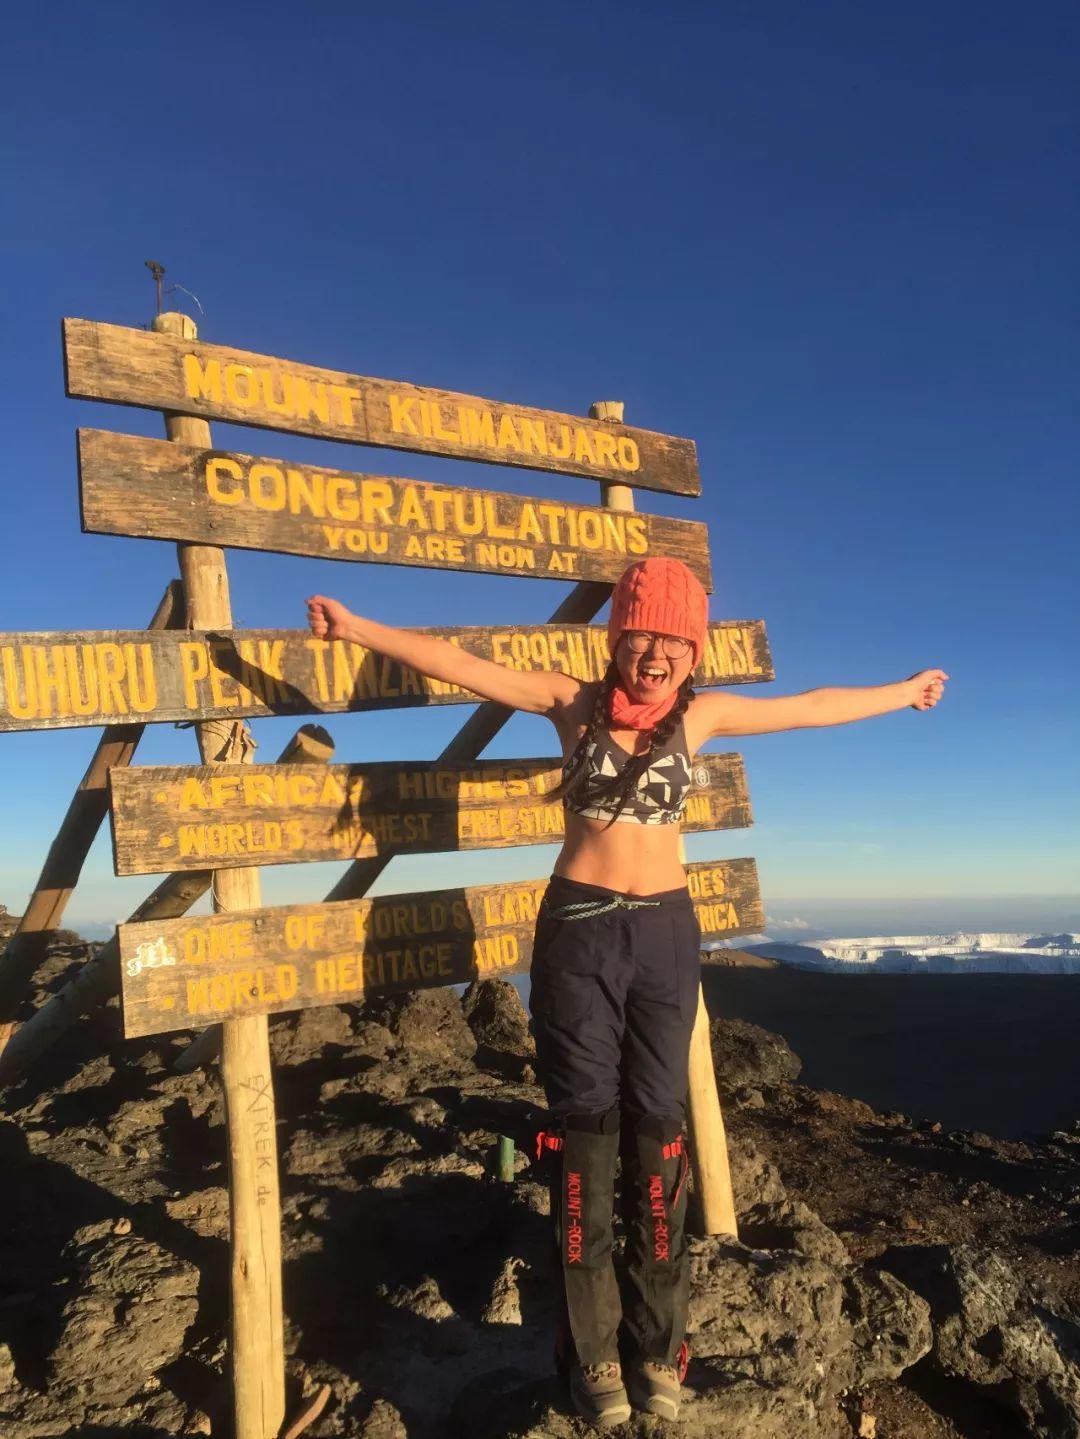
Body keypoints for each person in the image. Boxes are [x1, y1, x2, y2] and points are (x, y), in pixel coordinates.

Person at [306, 558, 947, 1427]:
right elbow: (461, 664)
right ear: (618, 640)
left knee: (658, 1136)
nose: (655, 654)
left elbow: (809, 705)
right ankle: (594, 1355)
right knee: (586, 1141)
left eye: (674, 641)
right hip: (578, 932)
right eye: (641, 634)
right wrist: (360, 629)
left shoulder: (705, 715)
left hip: (664, 936)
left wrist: (902, 691)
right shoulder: (571, 704)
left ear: (692, 652)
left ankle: (658, 1349)